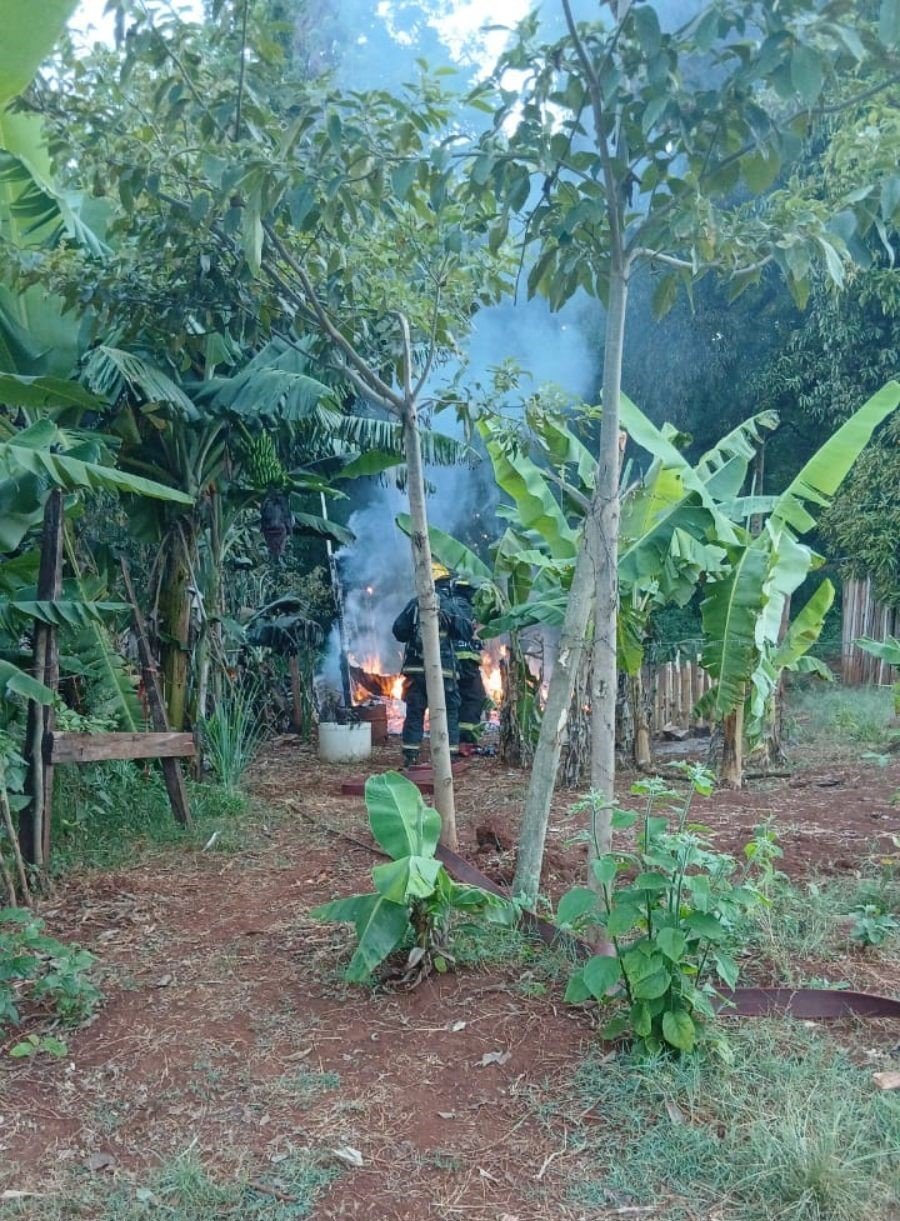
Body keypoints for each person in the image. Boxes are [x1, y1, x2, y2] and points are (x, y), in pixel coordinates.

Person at [392, 564, 468, 768]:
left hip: (417, 671)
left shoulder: (414, 604)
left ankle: (410, 756)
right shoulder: (449, 605)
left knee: (415, 712)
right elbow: (465, 630)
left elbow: (398, 631)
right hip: (444, 672)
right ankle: (449, 757)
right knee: (449, 711)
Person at [452, 579, 487, 751]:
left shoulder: (447, 605)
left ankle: (455, 739)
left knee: (455, 700)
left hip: (449, 663)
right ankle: (466, 740)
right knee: (475, 698)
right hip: (466, 664)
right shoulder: (467, 608)